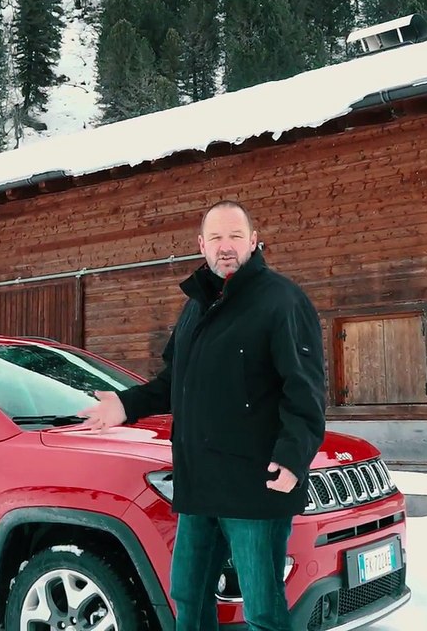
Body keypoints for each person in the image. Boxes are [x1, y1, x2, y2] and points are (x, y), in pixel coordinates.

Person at [80, 200, 326, 631]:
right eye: (215, 238)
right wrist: (124, 405)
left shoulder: (281, 300)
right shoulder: (197, 306)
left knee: (262, 609)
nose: (225, 246)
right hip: (200, 484)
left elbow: (305, 390)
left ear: (253, 240)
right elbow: (174, 382)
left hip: (256, 486)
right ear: (201, 245)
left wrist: (293, 458)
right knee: (188, 596)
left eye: (235, 236)